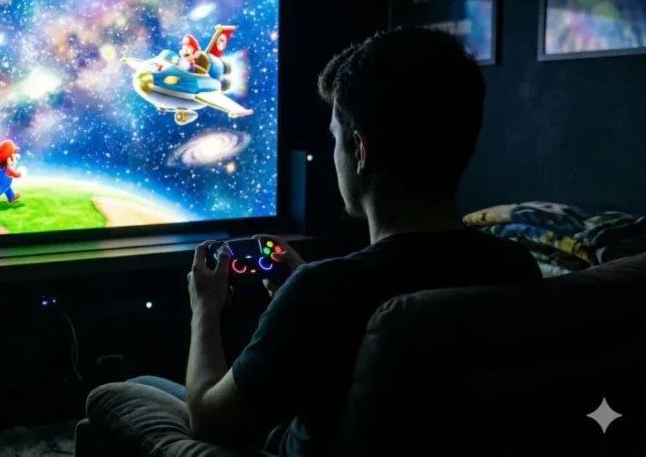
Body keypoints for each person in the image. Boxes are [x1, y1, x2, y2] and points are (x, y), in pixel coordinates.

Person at [129, 27, 543, 455]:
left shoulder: (322, 292)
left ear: (360, 150)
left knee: (124, 393)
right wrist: (296, 289)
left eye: (335, 138)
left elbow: (209, 422)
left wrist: (205, 308)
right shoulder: (515, 267)